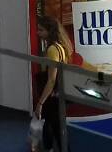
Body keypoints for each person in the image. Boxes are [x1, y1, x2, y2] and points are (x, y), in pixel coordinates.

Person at [35, 15, 72, 152]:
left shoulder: (52, 50)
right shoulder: (61, 46)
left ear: (49, 31)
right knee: (52, 125)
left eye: (41, 30)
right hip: (59, 92)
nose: (38, 33)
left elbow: (51, 80)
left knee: (55, 127)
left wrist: (40, 103)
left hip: (53, 95)